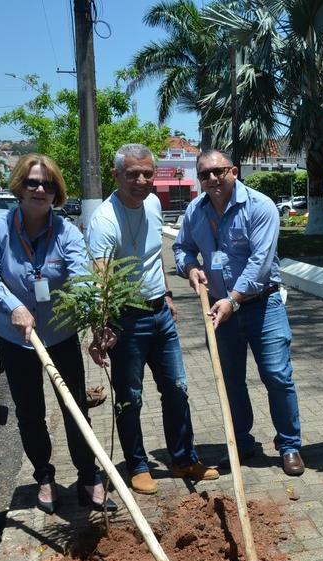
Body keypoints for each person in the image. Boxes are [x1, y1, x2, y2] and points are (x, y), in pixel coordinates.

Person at [0, 153, 116, 514]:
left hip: (59, 334)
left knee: (75, 407)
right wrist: (14, 306)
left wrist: (99, 322)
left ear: (57, 193)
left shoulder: (66, 231)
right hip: (16, 337)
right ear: (19, 186)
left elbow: (84, 277)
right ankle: (44, 476)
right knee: (30, 411)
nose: (39, 189)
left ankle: (88, 477)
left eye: (48, 184)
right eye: (32, 182)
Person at [86, 143, 219, 495]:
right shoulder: (103, 221)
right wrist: (100, 329)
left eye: (147, 172)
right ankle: (138, 465)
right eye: (133, 174)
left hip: (160, 313)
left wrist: (168, 294)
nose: (142, 180)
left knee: (177, 388)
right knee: (131, 396)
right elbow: (100, 281)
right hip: (125, 321)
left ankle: (183, 459)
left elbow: (152, 256)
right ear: (116, 175)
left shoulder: (153, 204)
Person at [173, 149, 304, 477]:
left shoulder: (260, 207)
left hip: (262, 305)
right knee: (229, 380)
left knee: (276, 375)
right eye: (205, 174)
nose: (213, 179)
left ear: (233, 170)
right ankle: (242, 443)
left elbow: (260, 263)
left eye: (218, 171)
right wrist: (189, 268)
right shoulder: (195, 210)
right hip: (217, 308)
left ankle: (289, 445)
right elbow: (181, 247)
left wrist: (233, 299)